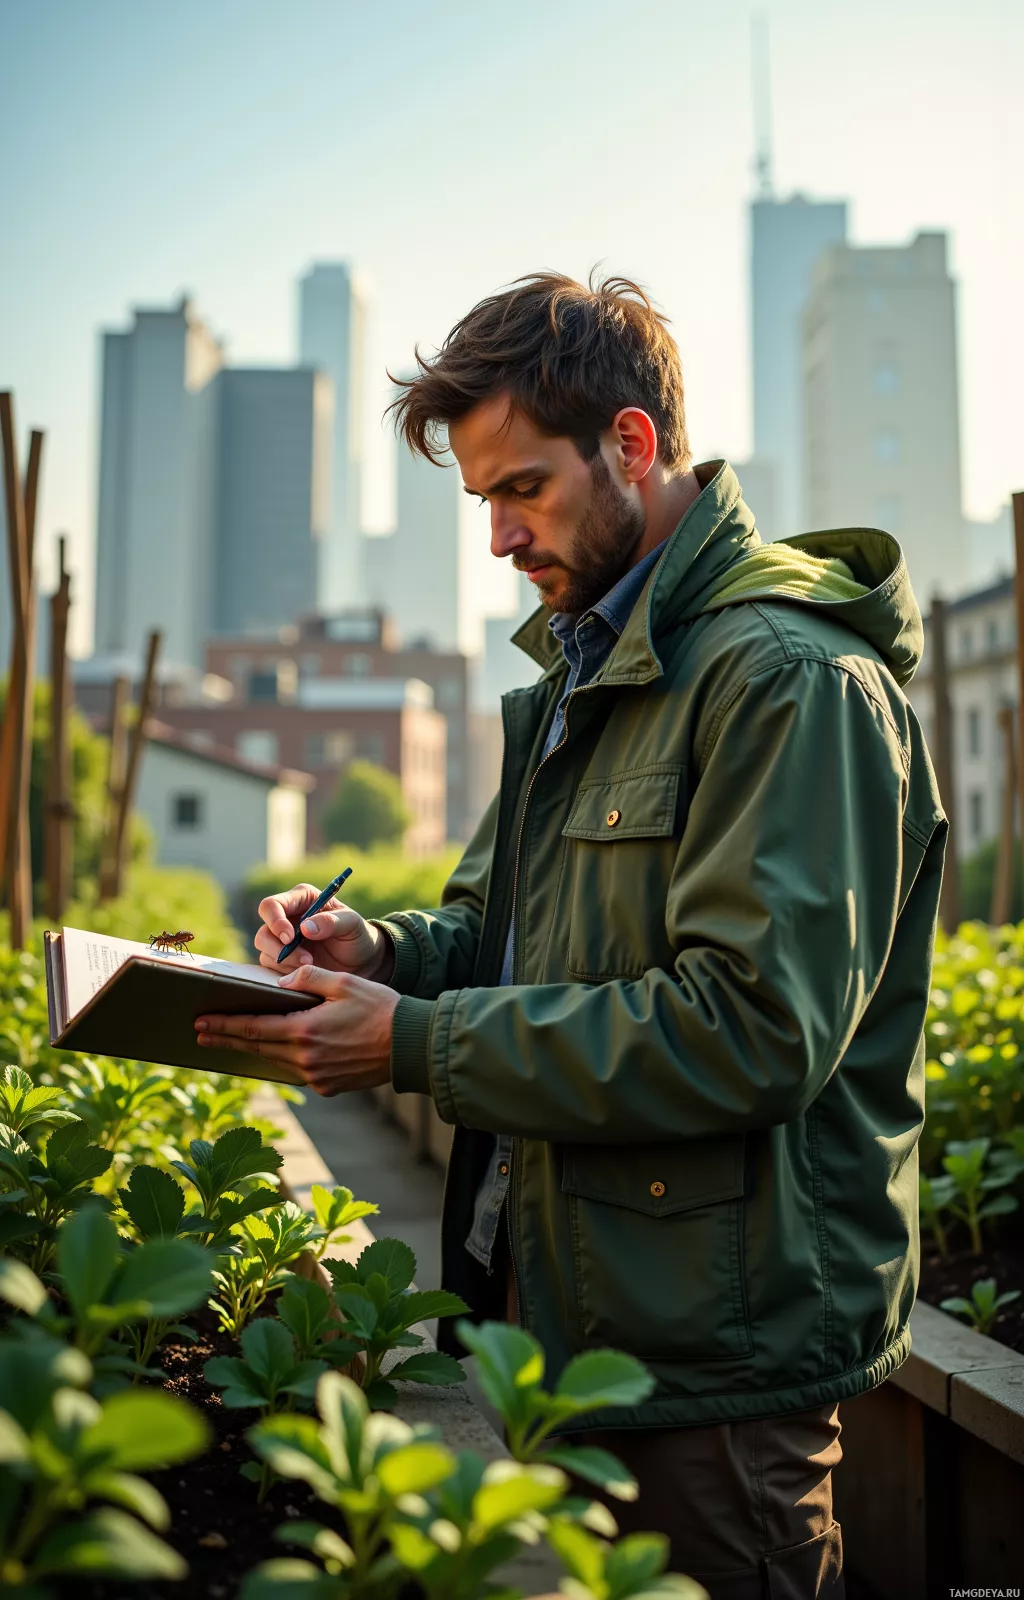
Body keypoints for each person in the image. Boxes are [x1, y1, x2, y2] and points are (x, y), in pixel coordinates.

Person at [195, 272, 946, 1598]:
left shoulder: (788, 679)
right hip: (577, 1316)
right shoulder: (589, 669)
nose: (496, 537)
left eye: (520, 490)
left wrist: (418, 1042)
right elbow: (505, 925)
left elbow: (756, 1029)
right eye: (482, 499)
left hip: (720, 1364)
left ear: (633, 446)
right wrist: (380, 951)